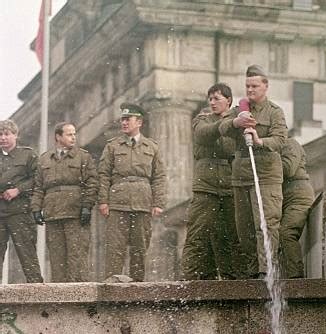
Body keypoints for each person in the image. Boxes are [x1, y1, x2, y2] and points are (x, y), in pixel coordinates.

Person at [219, 65, 287, 279]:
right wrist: (235, 122)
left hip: (266, 174)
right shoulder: (240, 109)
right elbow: (221, 127)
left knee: (265, 223)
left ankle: (265, 270)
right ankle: (250, 270)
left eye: (255, 86)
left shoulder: (274, 112)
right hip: (242, 175)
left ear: (265, 87)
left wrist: (259, 140)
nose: (250, 90)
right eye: (247, 86)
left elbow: (280, 139)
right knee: (244, 227)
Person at [182, 83, 246, 279]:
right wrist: (229, 124)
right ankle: (191, 278)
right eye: (210, 99)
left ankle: (233, 280)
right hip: (205, 186)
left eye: (217, 98)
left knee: (230, 235)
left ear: (228, 100)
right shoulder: (202, 120)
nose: (212, 102)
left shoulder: (236, 121)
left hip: (229, 185)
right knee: (197, 233)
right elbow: (204, 134)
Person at [98, 103, 166, 282]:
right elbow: (103, 175)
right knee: (115, 247)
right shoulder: (112, 146)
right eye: (122, 119)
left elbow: (159, 176)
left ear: (139, 122)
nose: (124, 123)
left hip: (142, 202)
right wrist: (103, 201)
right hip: (118, 202)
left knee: (140, 247)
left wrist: (158, 203)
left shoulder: (152, 147)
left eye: (128, 119)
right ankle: (112, 286)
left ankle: (137, 288)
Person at [31, 122, 98, 282]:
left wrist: (87, 206)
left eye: (74, 134)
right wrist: (35, 208)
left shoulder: (83, 157)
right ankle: (60, 298)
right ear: (58, 137)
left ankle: (79, 297)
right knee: (56, 257)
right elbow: (39, 187)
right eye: (69, 134)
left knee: (77, 255)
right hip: (53, 214)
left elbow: (92, 183)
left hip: (75, 212)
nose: (73, 137)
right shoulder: (45, 159)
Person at [0, 120, 43, 283]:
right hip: (0, 213)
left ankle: (38, 294)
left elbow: (38, 178)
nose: (3, 138)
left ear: (15, 135)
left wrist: (18, 189)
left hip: (20, 212)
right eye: (0, 134)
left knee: (27, 253)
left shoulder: (27, 155)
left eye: (7, 134)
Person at [279, 137, 315, 278]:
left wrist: (266, 163)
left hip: (298, 197)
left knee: (286, 233)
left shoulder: (289, 143)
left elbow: (289, 168)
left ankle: (295, 278)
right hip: (281, 198)